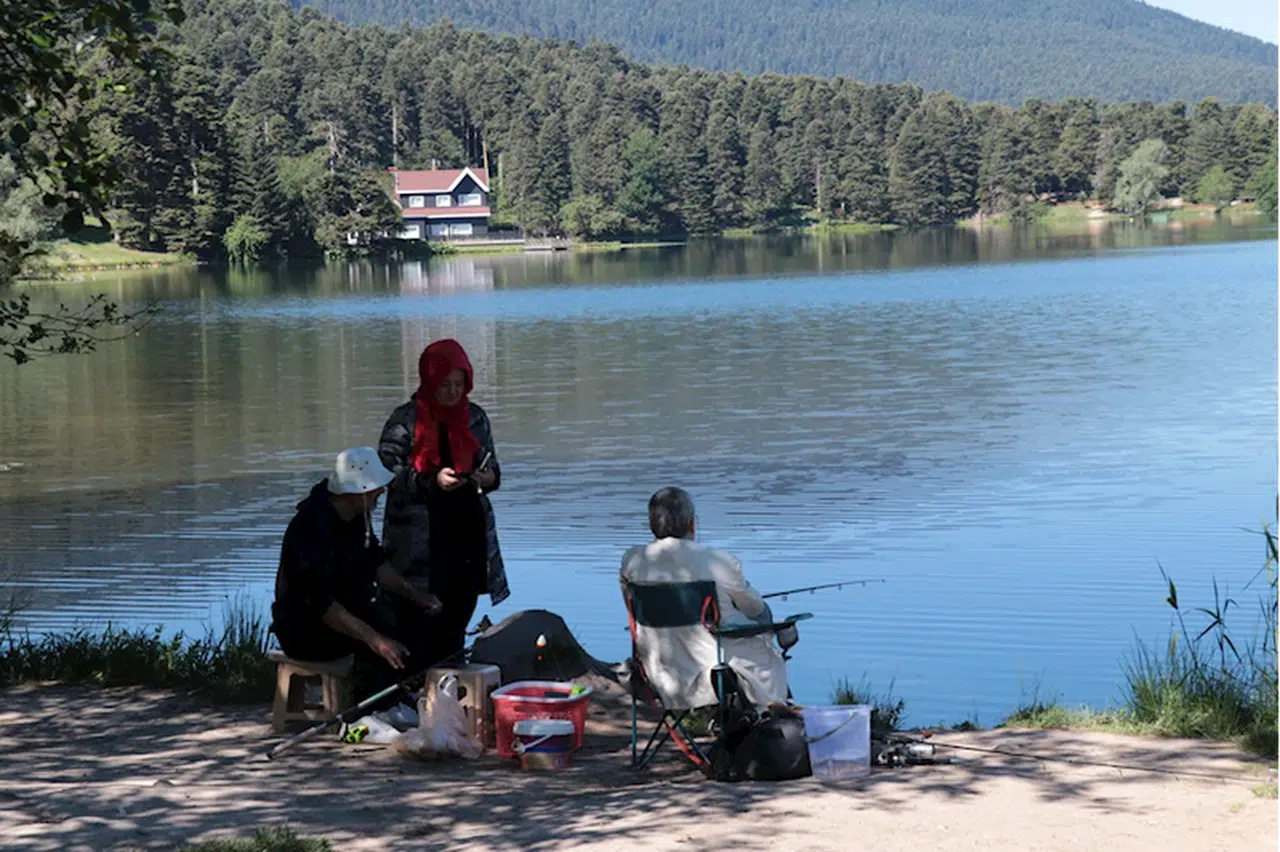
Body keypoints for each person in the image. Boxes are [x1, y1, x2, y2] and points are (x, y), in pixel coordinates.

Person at [378, 338, 510, 670]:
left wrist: (487, 478)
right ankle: (410, 690)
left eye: (459, 384)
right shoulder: (405, 422)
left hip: (466, 539)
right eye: (445, 385)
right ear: (429, 381)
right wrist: (431, 481)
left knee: (455, 617)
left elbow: (493, 468)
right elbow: (384, 472)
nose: (453, 392)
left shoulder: (475, 419)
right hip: (417, 545)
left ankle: (448, 688)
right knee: (416, 622)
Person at [270, 447, 443, 689]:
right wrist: (376, 640)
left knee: (411, 620)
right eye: (376, 487)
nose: (382, 491)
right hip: (304, 629)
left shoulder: (356, 516)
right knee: (383, 638)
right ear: (357, 491)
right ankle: (374, 707)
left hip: (348, 611)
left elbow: (377, 565)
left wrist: (418, 597)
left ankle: (405, 694)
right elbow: (320, 604)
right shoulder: (309, 529)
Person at [620, 486, 790, 710]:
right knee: (767, 646)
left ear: (652, 525)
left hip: (658, 672)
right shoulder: (718, 562)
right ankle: (768, 721)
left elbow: (632, 611)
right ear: (692, 523)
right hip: (714, 672)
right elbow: (755, 610)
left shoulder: (632, 561)